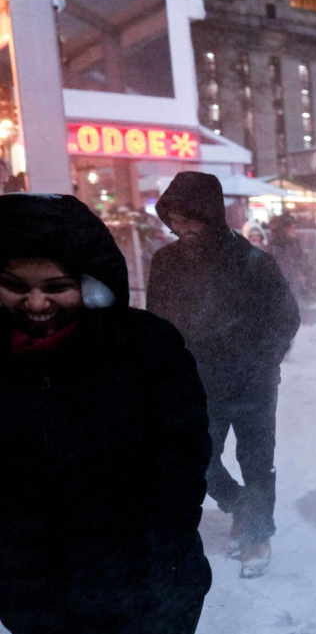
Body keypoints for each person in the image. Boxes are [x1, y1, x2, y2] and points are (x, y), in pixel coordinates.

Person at [0, 193, 212, 632]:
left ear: (90, 283)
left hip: (145, 590)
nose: (36, 303)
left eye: (56, 287)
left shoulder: (144, 348)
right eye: (17, 286)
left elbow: (182, 454)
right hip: (33, 591)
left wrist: (160, 551)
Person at [146, 172, 300, 578]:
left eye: (190, 219)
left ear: (211, 215)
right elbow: (157, 322)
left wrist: (262, 359)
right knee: (198, 459)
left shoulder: (253, 261)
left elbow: (285, 317)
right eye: (175, 221)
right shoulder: (165, 263)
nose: (182, 229)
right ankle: (240, 505)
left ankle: (256, 535)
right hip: (195, 383)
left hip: (252, 382)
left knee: (256, 460)